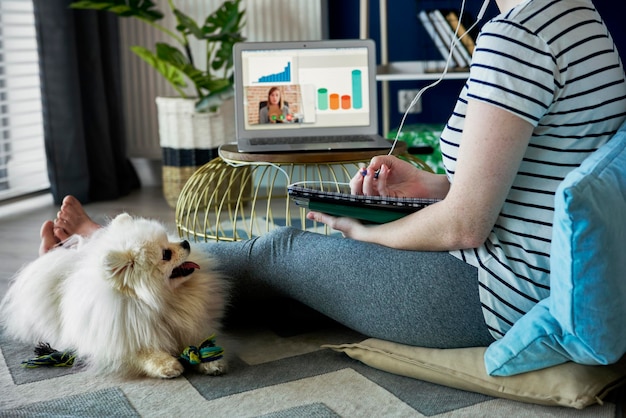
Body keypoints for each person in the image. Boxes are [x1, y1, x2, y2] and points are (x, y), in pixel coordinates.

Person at [42, 0, 626, 350]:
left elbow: (463, 229)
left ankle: (109, 258)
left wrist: (363, 230)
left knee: (283, 248)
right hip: (537, 273)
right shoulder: (577, 19)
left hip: (494, 295)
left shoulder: (516, 36)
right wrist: (430, 187)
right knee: (292, 288)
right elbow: (537, 179)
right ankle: (124, 283)